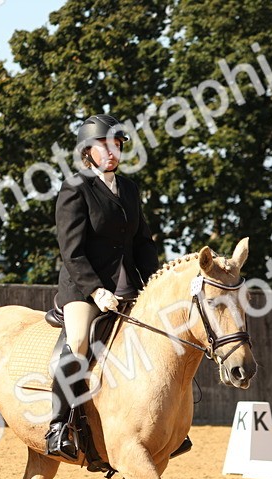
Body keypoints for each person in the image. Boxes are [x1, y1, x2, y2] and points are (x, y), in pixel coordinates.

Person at [46, 113, 162, 459]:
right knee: (79, 340)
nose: (112, 152)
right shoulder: (75, 188)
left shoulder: (128, 188)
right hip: (83, 289)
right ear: (87, 152)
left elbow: (143, 242)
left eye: (117, 145)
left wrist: (152, 282)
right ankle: (58, 424)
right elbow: (72, 250)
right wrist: (96, 290)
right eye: (104, 145)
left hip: (127, 284)